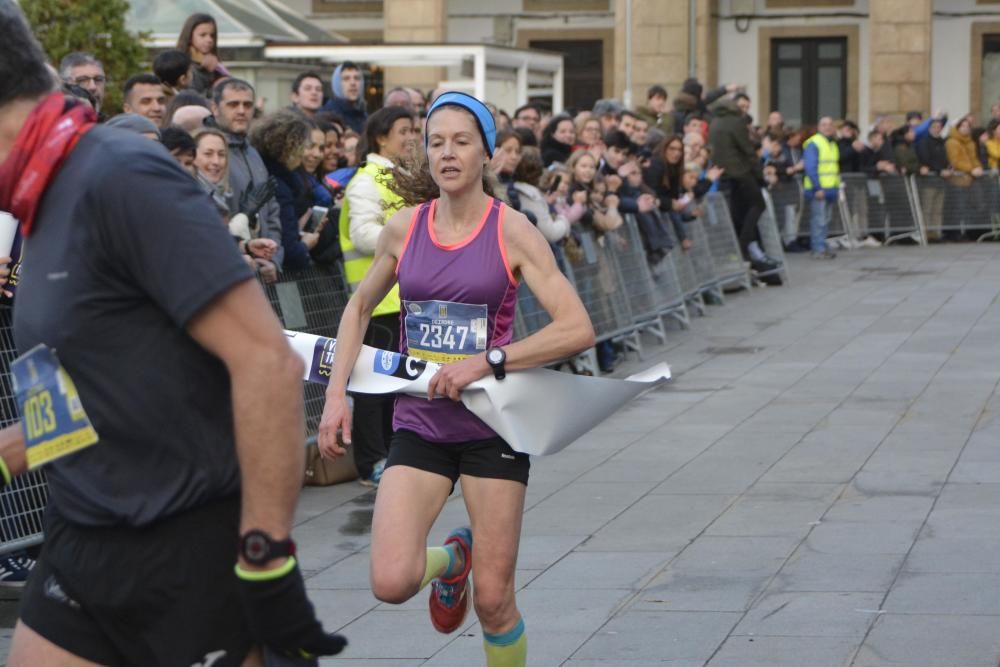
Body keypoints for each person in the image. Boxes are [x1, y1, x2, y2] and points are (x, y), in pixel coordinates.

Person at [0, 3, 346, 664]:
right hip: (84, 533)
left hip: (186, 535)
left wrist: (267, 557)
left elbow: (267, 361)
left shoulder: (120, 176)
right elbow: (88, 393)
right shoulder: (36, 199)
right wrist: (7, 451)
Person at [317, 91, 594, 667]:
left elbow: (576, 328)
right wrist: (335, 395)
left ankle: (476, 576)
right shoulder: (404, 227)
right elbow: (359, 307)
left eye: (461, 142)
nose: (447, 153)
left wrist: (489, 361)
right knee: (391, 581)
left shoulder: (512, 231)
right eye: (435, 141)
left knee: (495, 602)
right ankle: (452, 559)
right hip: (420, 424)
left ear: (485, 154)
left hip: (492, 425)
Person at [338, 105, 416, 486]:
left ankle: (393, 453)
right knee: (371, 388)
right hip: (377, 302)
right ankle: (371, 460)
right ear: (381, 137)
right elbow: (363, 233)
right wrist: (405, 238)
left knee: (396, 384)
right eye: (404, 130)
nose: (411, 138)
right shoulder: (368, 181)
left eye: (414, 130)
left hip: (402, 299)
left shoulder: (403, 179)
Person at [208, 78, 285, 280]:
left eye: (247, 105)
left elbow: (272, 210)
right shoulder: (207, 154)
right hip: (227, 272)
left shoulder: (253, 153)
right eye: (233, 104)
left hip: (261, 271)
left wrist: (273, 258)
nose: (241, 111)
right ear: (215, 108)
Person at [708, 96, 777, 272]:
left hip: (725, 173)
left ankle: (744, 247)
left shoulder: (715, 121)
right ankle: (743, 246)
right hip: (741, 172)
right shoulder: (735, 121)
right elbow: (747, 150)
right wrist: (759, 176)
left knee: (739, 212)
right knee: (758, 205)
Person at [253, 111, 323, 272]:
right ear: (291, 147)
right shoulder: (281, 186)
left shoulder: (262, 171)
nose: (305, 152)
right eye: (304, 146)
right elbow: (290, 251)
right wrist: (306, 243)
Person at [512, 146, 570, 243]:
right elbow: (551, 233)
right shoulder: (529, 193)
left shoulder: (519, 189)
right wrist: (564, 220)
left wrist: (545, 202)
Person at [803, 116, 840, 258]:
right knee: (819, 220)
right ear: (819, 127)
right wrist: (817, 188)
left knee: (825, 220)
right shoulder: (814, 143)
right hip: (819, 190)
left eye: (830, 124)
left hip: (829, 189)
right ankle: (818, 249)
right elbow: (811, 167)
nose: (828, 127)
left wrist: (836, 187)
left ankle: (821, 246)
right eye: (824, 124)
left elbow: (833, 167)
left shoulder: (832, 144)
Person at [177, 13, 229, 96]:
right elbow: (193, 97)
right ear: (190, 37)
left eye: (212, 35)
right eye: (203, 35)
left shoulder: (216, 65)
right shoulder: (181, 65)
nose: (209, 40)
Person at [320, 62, 367, 134]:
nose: (353, 83)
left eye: (357, 78)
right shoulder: (327, 116)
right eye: (346, 79)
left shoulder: (364, 116)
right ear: (337, 84)